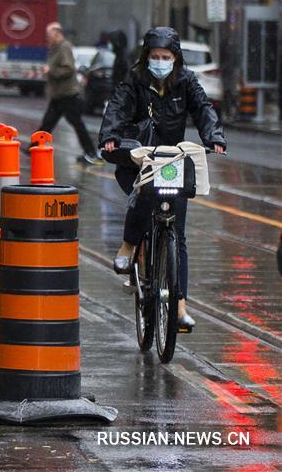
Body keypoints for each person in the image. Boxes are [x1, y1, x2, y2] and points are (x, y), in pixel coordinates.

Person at [99, 27, 226, 331]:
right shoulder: (134, 80)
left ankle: (179, 307)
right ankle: (130, 246)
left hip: (171, 161)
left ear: (175, 59)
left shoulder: (186, 81)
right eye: (154, 56)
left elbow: (203, 109)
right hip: (138, 158)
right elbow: (116, 109)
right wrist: (111, 137)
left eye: (165, 57)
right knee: (144, 196)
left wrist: (214, 135)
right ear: (146, 57)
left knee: (177, 233)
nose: (160, 62)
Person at [34, 22, 103, 165]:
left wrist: (50, 71)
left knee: (77, 124)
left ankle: (91, 152)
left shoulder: (64, 47)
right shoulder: (55, 48)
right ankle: (32, 148)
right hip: (59, 95)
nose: (47, 38)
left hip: (68, 95)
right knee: (48, 123)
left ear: (57, 33)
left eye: (49, 35)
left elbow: (69, 68)